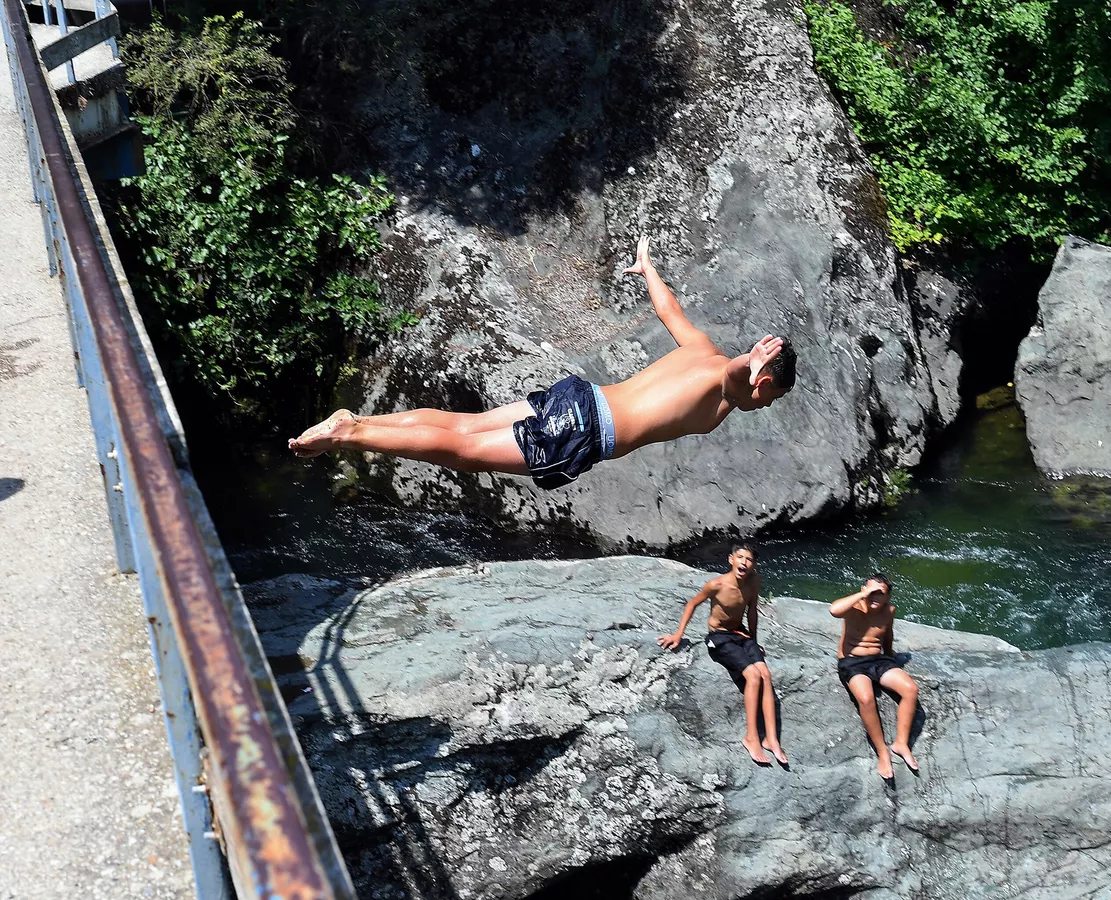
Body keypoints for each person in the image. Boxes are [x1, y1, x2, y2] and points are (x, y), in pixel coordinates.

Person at [289, 236, 797, 489]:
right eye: (767, 395)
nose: (761, 403)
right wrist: (747, 365)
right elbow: (730, 380)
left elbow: (670, 309)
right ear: (763, 382)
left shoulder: (700, 347)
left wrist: (648, 268)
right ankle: (349, 436)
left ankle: (357, 422)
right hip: (585, 430)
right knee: (462, 452)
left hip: (581, 396)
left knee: (464, 426)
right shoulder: (729, 382)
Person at [657, 543, 788, 766]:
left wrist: (754, 643)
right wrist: (678, 635)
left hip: (742, 635)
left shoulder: (754, 582)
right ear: (731, 559)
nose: (744, 563)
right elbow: (692, 603)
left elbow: (753, 610)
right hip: (719, 637)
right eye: (740, 558)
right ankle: (751, 737)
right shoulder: (717, 584)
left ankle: (772, 739)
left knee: (765, 674)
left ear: (753, 565)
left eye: (749, 560)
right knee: (753, 677)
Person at [829, 573, 920, 780]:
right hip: (852, 662)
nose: (875, 597)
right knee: (866, 698)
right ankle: (882, 752)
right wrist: (863, 594)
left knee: (910, 689)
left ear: (888, 597)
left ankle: (901, 743)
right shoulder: (853, 608)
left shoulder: (889, 610)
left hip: (878, 661)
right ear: (864, 590)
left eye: (880, 594)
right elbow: (834, 610)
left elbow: (887, 634)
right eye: (872, 592)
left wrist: (891, 656)